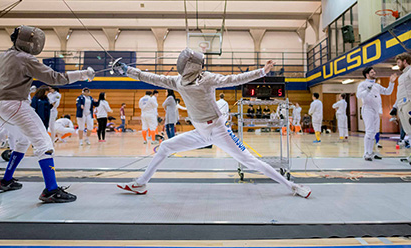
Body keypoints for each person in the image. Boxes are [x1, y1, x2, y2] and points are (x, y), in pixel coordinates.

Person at [115, 48, 311, 198]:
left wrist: (262, 71)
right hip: (200, 131)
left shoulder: (207, 79)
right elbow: (152, 78)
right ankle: (141, 184)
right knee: (165, 146)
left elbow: (234, 79)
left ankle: (292, 186)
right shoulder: (177, 82)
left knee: (250, 162)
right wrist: (127, 70)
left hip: (218, 130)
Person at [0, 25, 95, 203]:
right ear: (27, 42)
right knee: (44, 143)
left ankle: (6, 181)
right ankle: (51, 190)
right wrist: (83, 74)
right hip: (15, 104)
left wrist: (5, 75)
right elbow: (57, 79)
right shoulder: (26, 58)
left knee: (23, 141)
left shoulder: (0, 57)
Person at [356, 66, 396, 161]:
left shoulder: (377, 85)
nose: (374, 73)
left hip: (376, 110)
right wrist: (367, 90)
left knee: (374, 132)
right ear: (367, 74)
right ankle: (366, 153)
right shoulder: (363, 84)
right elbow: (359, 95)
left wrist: (391, 83)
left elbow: (388, 92)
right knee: (369, 131)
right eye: (372, 72)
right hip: (367, 109)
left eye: (374, 72)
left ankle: (371, 152)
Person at [394, 53, 411, 160]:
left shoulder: (410, 72)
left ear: (405, 61)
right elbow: (400, 93)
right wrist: (394, 107)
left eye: (399, 62)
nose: (398, 65)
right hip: (402, 106)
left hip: (409, 104)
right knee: (409, 131)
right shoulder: (402, 76)